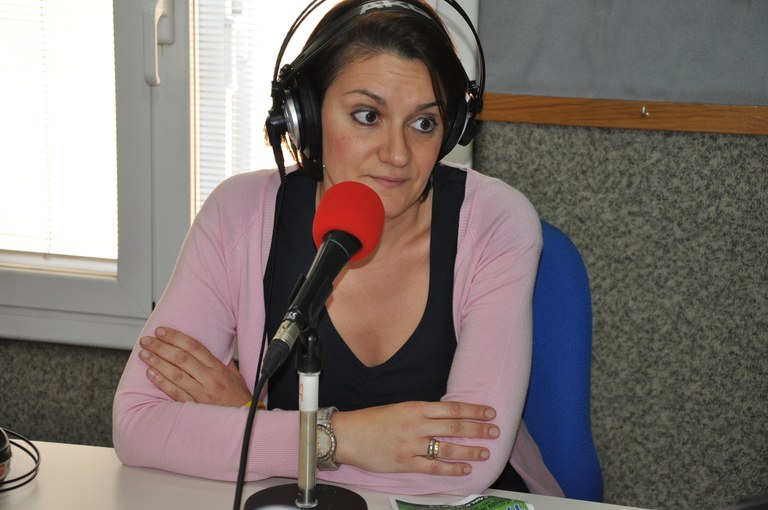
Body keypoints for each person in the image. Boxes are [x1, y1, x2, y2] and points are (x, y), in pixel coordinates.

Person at [113, 0, 562, 498]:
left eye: (424, 123)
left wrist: (252, 425)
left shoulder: (496, 222)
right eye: (368, 116)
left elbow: (466, 461)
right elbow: (138, 425)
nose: (398, 154)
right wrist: (343, 438)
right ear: (306, 116)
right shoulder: (239, 215)